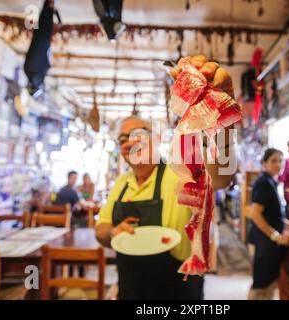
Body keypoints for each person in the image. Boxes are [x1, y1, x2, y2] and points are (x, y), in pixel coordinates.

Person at [95, 54, 237, 300]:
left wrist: (222, 123)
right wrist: (112, 233)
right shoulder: (121, 183)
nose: (129, 143)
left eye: (138, 134)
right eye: (122, 140)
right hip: (131, 291)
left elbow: (222, 177)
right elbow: (102, 229)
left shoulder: (179, 171)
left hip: (178, 292)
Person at [245, 148, 289, 300]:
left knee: (269, 285)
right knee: (262, 285)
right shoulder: (264, 183)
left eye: (281, 160)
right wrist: (276, 236)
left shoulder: (271, 182)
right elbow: (255, 214)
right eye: (273, 161)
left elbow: (270, 214)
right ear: (264, 163)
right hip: (265, 241)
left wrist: (288, 224)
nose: (278, 164)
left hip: (268, 240)